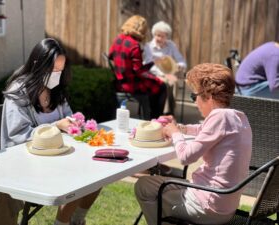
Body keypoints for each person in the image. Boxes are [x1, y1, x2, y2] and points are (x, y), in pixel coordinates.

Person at [135, 63, 252, 225]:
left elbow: (185, 157)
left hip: (208, 206)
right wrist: (180, 128)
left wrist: (175, 133)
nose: (195, 102)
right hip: (223, 202)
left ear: (209, 96)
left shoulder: (219, 117)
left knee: (143, 188)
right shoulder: (238, 117)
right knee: (148, 185)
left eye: (194, 96)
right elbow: (203, 129)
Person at [0, 38, 99, 225]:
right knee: (83, 175)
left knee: (99, 169)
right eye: (53, 70)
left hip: (56, 158)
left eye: (60, 70)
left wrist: (74, 122)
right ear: (38, 65)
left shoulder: (55, 89)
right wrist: (56, 126)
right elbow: (17, 136)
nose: (57, 75)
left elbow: (66, 117)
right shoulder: (19, 92)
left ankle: (76, 220)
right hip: (25, 163)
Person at [108, 15, 167, 119]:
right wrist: (152, 65)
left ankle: (151, 115)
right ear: (141, 30)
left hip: (119, 82)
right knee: (161, 86)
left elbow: (110, 56)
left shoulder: (118, 39)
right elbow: (139, 71)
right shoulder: (134, 45)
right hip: (131, 85)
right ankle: (154, 119)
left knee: (155, 84)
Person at [144, 21, 187, 115]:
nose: (159, 38)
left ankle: (169, 111)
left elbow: (181, 60)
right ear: (154, 34)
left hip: (169, 73)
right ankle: (163, 112)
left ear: (167, 36)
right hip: (154, 74)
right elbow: (148, 64)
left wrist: (179, 66)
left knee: (172, 82)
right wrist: (163, 74)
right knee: (164, 83)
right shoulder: (148, 46)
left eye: (162, 36)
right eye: (157, 35)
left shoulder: (171, 45)